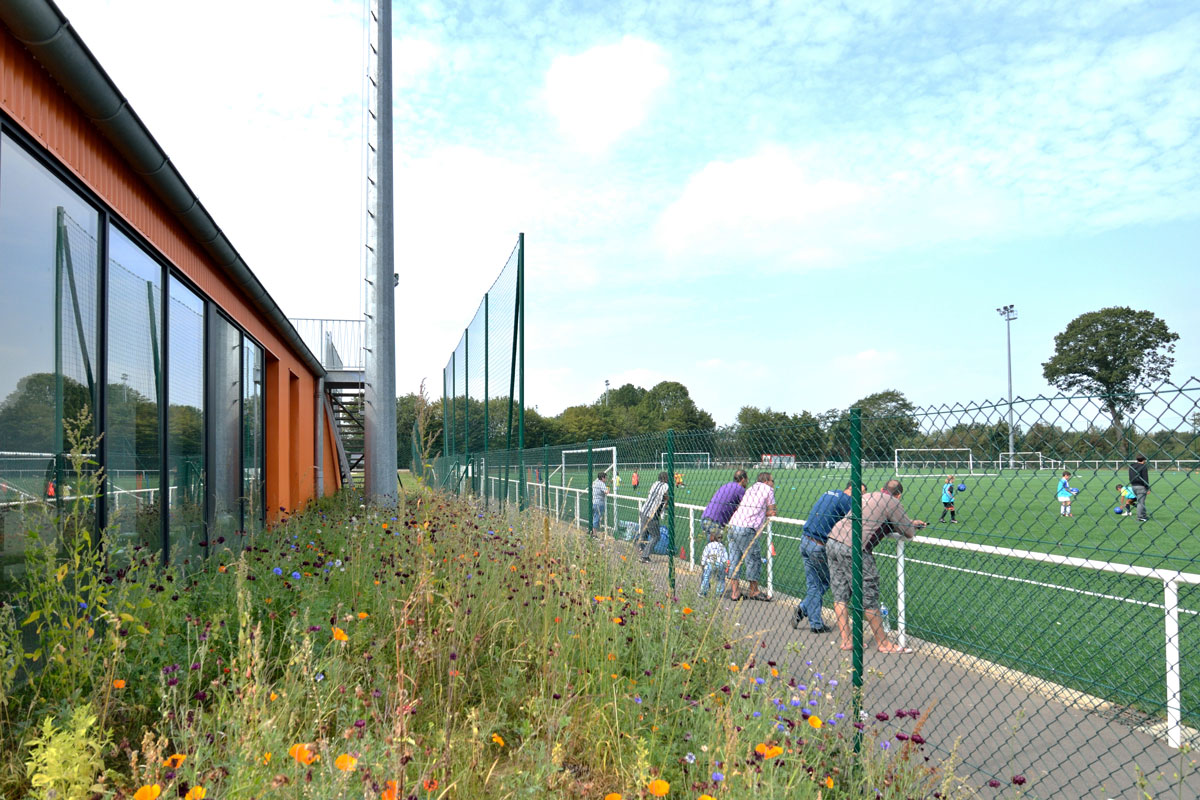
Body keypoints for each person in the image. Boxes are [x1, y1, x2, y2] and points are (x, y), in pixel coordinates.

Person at [827, 480, 925, 653]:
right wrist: (910, 525)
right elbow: (908, 532)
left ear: (882, 489)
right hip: (854, 548)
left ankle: (847, 640)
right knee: (869, 595)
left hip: (833, 540)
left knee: (840, 594)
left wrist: (906, 522)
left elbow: (871, 517)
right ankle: (884, 643)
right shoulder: (893, 502)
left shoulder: (869, 496)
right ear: (899, 495)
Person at [792, 483, 859, 633]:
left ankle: (815, 622)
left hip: (805, 541)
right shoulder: (847, 501)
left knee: (813, 584)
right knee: (825, 581)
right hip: (818, 545)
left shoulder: (830, 492)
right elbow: (857, 522)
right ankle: (804, 608)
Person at [725, 472, 777, 601]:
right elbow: (772, 512)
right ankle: (754, 591)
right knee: (753, 558)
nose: (773, 483)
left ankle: (735, 592)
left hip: (733, 525)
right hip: (746, 528)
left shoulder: (750, 488)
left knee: (734, 558)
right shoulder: (768, 490)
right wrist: (766, 511)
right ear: (766, 481)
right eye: (772, 480)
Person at [700, 469, 748, 544]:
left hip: (705, 517)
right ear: (743, 479)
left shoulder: (727, 485)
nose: (747, 482)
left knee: (713, 547)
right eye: (746, 479)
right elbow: (745, 506)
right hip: (715, 522)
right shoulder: (740, 490)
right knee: (718, 549)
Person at [637, 471, 670, 562]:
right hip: (651, 515)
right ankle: (645, 556)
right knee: (656, 536)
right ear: (665, 479)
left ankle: (641, 549)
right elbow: (667, 497)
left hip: (643, 510)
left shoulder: (655, 484)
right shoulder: (665, 486)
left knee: (644, 533)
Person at [698, 528, 729, 598]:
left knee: (706, 577)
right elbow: (725, 556)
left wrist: (703, 564)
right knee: (721, 579)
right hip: (720, 564)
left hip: (710, 564)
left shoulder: (709, 545)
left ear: (711, 537)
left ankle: (703, 592)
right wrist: (726, 565)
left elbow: (705, 555)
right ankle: (719, 593)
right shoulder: (722, 546)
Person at [1128, 455, 1150, 522]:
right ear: (1143, 460)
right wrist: (1147, 487)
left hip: (1133, 485)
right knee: (1141, 502)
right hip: (1141, 486)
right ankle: (1141, 517)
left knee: (1140, 501)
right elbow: (1145, 478)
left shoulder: (1131, 466)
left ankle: (1143, 515)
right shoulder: (1143, 467)